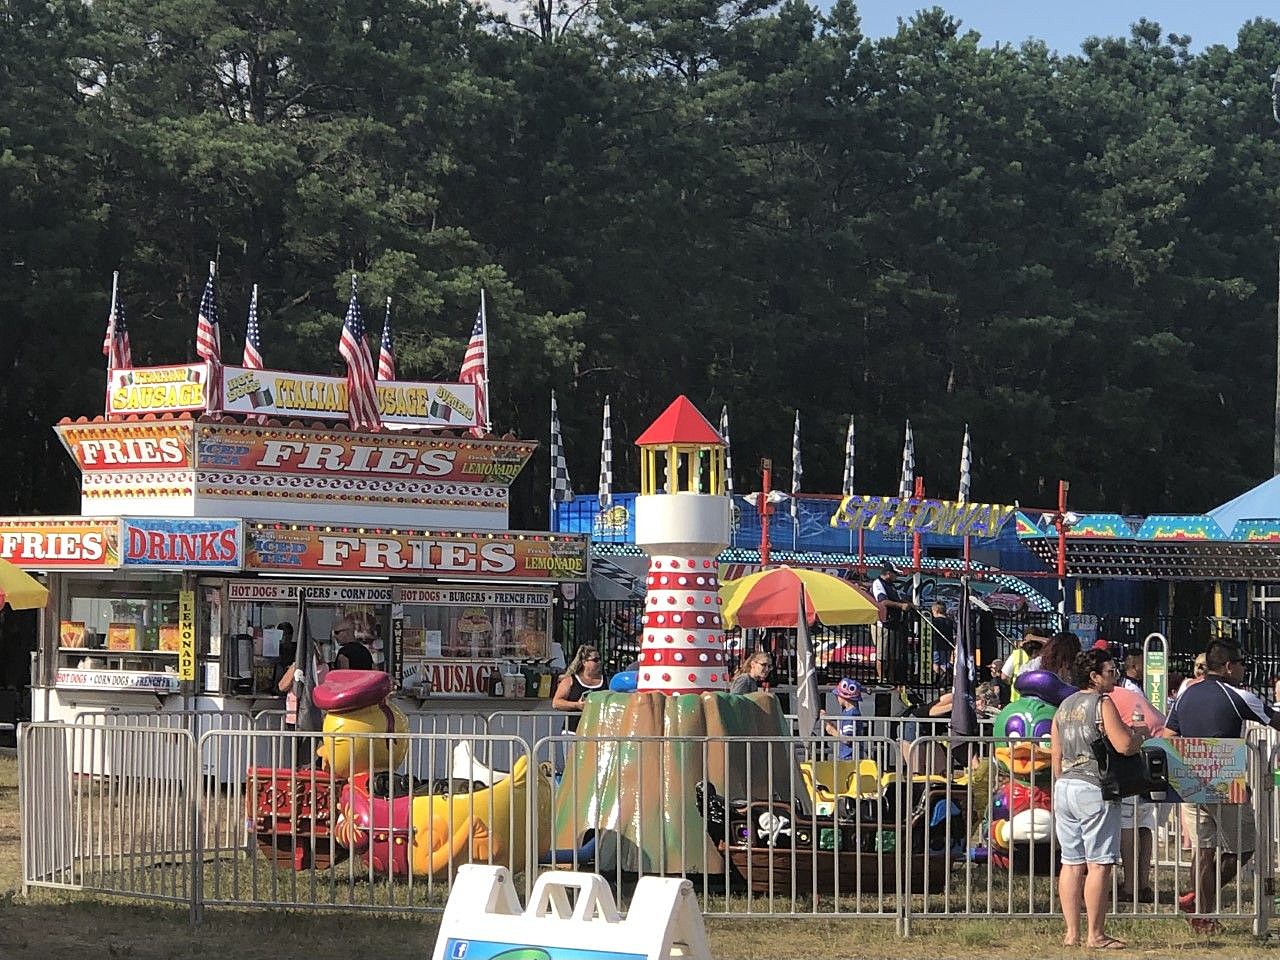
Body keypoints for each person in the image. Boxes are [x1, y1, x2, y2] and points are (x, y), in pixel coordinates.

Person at [1166, 641, 1280, 933]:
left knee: (1203, 850)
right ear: (1229, 666)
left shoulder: (1186, 694)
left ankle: (1201, 913)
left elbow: (1168, 733)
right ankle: (1199, 902)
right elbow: (1275, 720)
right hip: (1223, 776)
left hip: (1189, 778)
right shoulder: (1238, 695)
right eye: (1242, 663)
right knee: (1244, 847)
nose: (1244, 669)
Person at [1051, 648, 1148, 950]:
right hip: (1094, 787)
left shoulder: (1064, 705)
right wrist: (1140, 734)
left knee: (1070, 863)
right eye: (1109, 671)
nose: (1114, 675)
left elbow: (1055, 755)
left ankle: (1071, 933)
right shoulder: (1101, 703)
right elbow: (1123, 745)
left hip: (1065, 785)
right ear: (1094, 677)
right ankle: (1095, 934)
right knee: (1099, 863)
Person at [870, 565, 912, 684]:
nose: (896, 576)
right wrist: (900, 606)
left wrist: (909, 605)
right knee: (882, 653)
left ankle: (891, 678)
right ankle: (882, 679)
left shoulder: (891, 586)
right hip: (883, 623)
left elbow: (897, 600)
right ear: (888, 573)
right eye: (895, 574)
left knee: (893, 655)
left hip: (894, 623)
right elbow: (882, 601)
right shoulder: (878, 583)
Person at [552, 645, 607, 733]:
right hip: (573, 731)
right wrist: (577, 705)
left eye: (600, 659)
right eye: (595, 660)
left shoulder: (605, 680)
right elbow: (556, 703)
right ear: (584, 662)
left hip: (596, 732)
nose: (599, 662)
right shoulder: (570, 680)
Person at [822, 678, 866, 760]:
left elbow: (847, 739)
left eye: (837, 696)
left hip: (850, 758)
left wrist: (833, 732)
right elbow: (843, 731)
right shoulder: (847, 712)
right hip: (848, 757)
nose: (837, 698)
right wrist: (828, 721)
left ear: (845, 697)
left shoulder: (851, 715)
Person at [1002, 627, 1049, 699]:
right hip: (1040, 699)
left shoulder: (1017, 654)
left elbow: (1004, 676)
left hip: (1018, 700)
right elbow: (1053, 643)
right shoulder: (1046, 654)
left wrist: (1012, 683)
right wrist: (1036, 638)